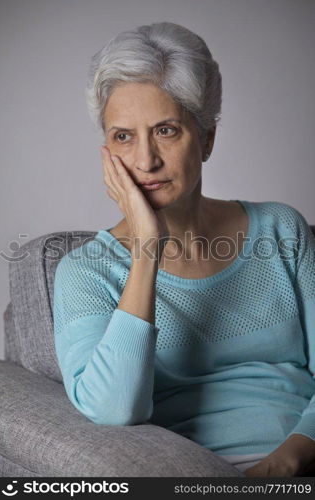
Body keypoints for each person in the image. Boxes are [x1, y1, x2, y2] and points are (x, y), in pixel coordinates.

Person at [53, 21, 315, 477]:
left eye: (167, 131)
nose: (145, 160)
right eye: (123, 136)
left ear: (207, 139)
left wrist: (295, 451)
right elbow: (114, 411)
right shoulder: (85, 271)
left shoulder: (281, 229)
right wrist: (147, 253)